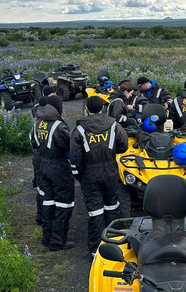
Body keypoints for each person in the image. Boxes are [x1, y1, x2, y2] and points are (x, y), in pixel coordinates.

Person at [71, 96, 129, 257]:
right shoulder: (113, 125)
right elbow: (123, 146)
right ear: (102, 109)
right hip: (110, 170)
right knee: (112, 207)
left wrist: (79, 174)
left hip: (89, 173)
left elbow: (75, 156)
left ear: (87, 110)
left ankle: (96, 250)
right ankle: (113, 243)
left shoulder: (80, 129)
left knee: (95, 212)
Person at [30, 96, 75, 250]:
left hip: (42, 165)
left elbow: (34, 143)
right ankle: (58, 241)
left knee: (47, 203)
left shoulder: (37, 123)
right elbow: (69, 146)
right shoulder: (58, 125)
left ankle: (46, 238)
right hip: (59, 168)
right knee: (63, 205)